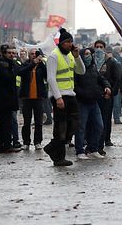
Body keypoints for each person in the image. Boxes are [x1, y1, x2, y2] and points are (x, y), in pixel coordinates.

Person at [42, 29, 85, 166]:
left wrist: (77, 57)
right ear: (61, 43)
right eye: (67, 42)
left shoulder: (71, 55)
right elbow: (51, 78)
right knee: (61, 128)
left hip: (71, 95)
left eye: (71, 42)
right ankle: (59, 157)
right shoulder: (53, 56)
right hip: (60, 96)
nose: (70, 44)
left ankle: (51, 147)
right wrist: (58, 97)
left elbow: (81, 71)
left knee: (74, 125)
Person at [74, 47, 111, 160]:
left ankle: (92, 149)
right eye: (86, 54)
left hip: (94, 102)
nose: (89, 56)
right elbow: (74, 86)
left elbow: (101, 79)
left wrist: (107, 86)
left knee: (99, 126)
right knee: (81, 127)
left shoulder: (93, 68)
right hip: (82, 102)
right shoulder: (77, 69)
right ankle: (80, 150)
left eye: (90, 54)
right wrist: (84, 94)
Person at [0, 45, 21, 153]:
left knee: (7, 122)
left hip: (9, 98)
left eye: (13, 53)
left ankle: (4, 144)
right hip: (3, 98)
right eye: (9, 53)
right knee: (4, 123)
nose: (12, 55)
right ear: (4, 54)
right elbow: (9, 77)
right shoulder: (1, 65)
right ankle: (4, 145)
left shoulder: (11, 63)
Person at [16, 49, 47, 149]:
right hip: (27, 97)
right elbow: (20, 72)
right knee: (27, 122)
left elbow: (47, 76)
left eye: (35, 54)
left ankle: (37, 141)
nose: (34, 55)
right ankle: (26, 142)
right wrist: (32, 64)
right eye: (32, 54)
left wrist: (41, 63)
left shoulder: (41, 65)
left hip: (38, 97)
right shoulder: (25, 64)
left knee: (38, 121)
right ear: (29, 55)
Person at [94, 39, 121, 148]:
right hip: (95, 95)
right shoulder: (91, 61)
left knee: (106, 118)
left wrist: (111, 92)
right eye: (97, 47)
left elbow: (117, 79)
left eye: (101, 47)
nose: (99, 49)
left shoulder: (111, 62)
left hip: (107, 95)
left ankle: (106, 138)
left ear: (104, 49)